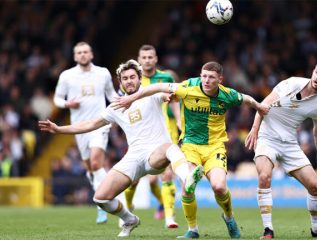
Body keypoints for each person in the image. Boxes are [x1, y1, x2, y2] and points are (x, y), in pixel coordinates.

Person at [39, 59, 203, 238]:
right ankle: (129, 219)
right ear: (120, 82)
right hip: (134, 156)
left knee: (169, 146)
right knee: (100, 198)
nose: (129, 81)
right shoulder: (115, 107)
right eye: (125, 78)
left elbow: (169, 93)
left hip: (156, 153)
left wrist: (170, 97)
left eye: (133, 77)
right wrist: (59, 129)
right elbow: (90, 123)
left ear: (140, 79)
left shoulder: (151, 94)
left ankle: (188, 178)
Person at [111, 61, 269, 239]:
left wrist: (259, 107)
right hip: (189, 145)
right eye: (204, 76)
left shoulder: (228, 95)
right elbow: (157, 87)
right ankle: (193, 230)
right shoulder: (188, 87)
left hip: (214, 147)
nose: (206, 80)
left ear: (220, 80)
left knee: (219, 187)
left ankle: (229, 217)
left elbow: (246, 99)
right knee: (187, 187)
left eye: (211, 77)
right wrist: (131, 98)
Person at [245, 59, 317, 238]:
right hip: (267, 137)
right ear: (313, 71)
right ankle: (268, 230)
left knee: (315, 187)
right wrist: (254, 129)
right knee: (265, 176)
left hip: (289, 143)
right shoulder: (291, 83)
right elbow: (263, 105)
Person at [53, 42, 118, 224]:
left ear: (91, 54)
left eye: (85, 52)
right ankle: (102, 200)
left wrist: (123, 103)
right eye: (79, 52)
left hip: (99, 124)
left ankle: (107, 201)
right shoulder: (67, 76)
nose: (82, 55)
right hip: (79, 127)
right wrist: (67, 104)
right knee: (90, 169)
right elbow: (57, 98)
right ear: (75, 56)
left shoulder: (103, 73)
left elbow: (111, 95)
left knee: (97, 163)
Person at [122, 45, 182, 228]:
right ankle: (129, 207)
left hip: (165, 134)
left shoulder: (166, 78)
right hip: (139, 136)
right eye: (144, 57)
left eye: (150, 57)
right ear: (139, 60)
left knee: (166, 175)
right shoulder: (132, 81)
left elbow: (175, 100)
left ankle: (169, 217)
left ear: (156, 59)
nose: (147, 60)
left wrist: (179, 121)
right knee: (135, 179)